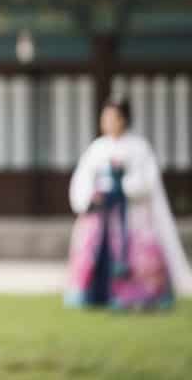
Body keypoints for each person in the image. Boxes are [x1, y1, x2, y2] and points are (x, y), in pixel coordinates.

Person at [65, 97, 192, 310]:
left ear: (123, 120)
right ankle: (94, 294)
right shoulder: (97, 148)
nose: (107, 122)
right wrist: (91, 196)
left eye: (113, 117)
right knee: (93, 253)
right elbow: (82, 179)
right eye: (104, 117)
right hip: (100, 216)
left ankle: (137, 296)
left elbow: (147, 181)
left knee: (135, 253)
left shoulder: (139, 148)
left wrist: (121, 186)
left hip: (132, 215)